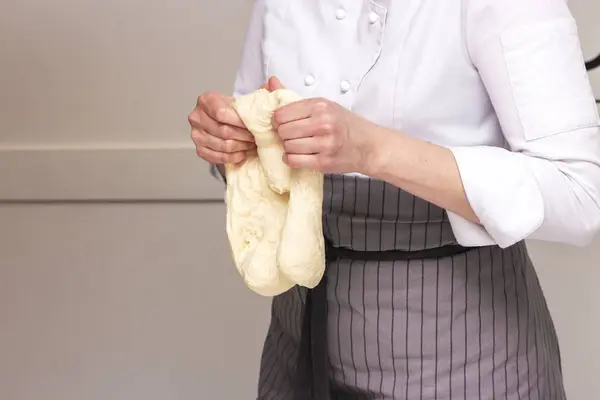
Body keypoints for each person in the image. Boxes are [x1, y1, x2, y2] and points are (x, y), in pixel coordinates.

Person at [188, 0, 600, 398]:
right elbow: (259, 155)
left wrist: (373, 150)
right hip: (299, 345)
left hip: (462, 353)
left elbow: (581, 193)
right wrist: (232, 141)